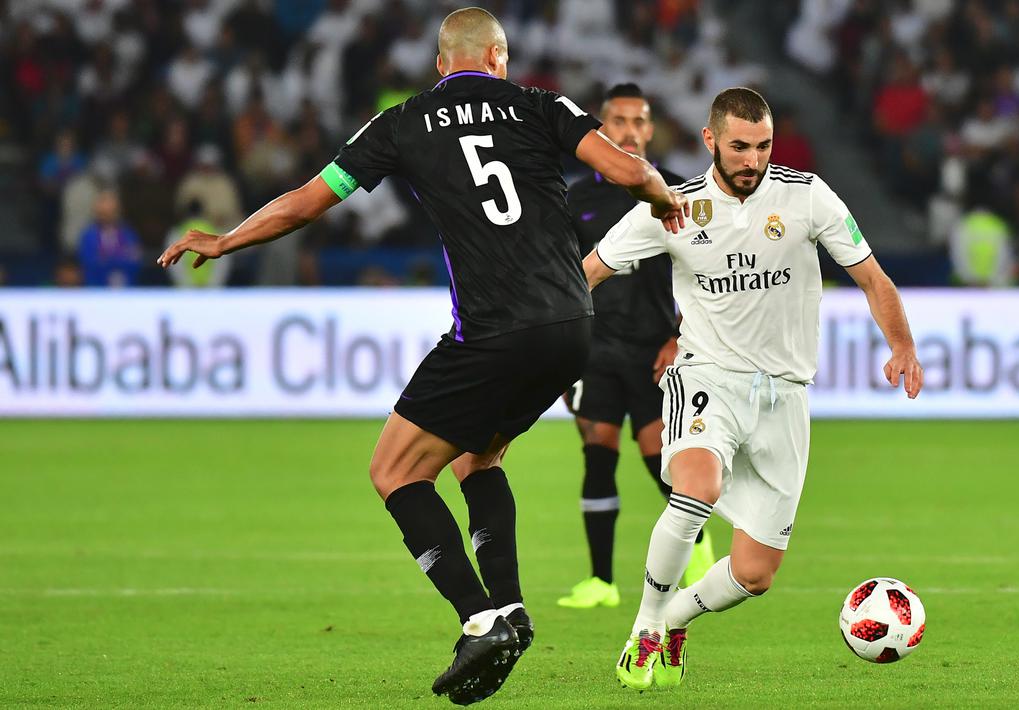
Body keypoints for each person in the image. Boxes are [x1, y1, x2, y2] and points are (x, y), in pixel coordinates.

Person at [158, 7, 687, 705]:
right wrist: (658, 195)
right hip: (570, 326)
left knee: (393, 472)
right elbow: (624, 169)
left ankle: (478, 617)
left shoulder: (400, 123)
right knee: (478, 457)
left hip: (493, 328)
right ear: (498, 57)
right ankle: (510, 608)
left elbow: (307, 203)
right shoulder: (538, 103)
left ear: (442, 65)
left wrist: (226, 239)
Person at [583, 87, 922, 691]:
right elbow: (587, 274)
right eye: (739, 147)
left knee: (755, 573)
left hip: (786, 397)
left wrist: (902, 345)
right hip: (707, 376)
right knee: (696, 488)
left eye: (763, 145)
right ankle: (645, 628)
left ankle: (679, 615)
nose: (752, 160)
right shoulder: (673, 205)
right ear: (710, 140)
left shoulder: (807, 195)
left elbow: (872, 277)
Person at [557, 83, 714, 611]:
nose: (628, 130)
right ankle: (600, 582)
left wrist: (678, 336)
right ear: (602, 129)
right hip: (594, 350)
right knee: (597, 457)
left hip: (654, 351)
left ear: (649, 129)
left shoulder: (676, 192)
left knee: (659, 463)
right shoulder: (575, 198)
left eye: (637, 121)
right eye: (618, 121)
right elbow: (564, 277)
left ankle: (697, 545)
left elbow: (703, 274)